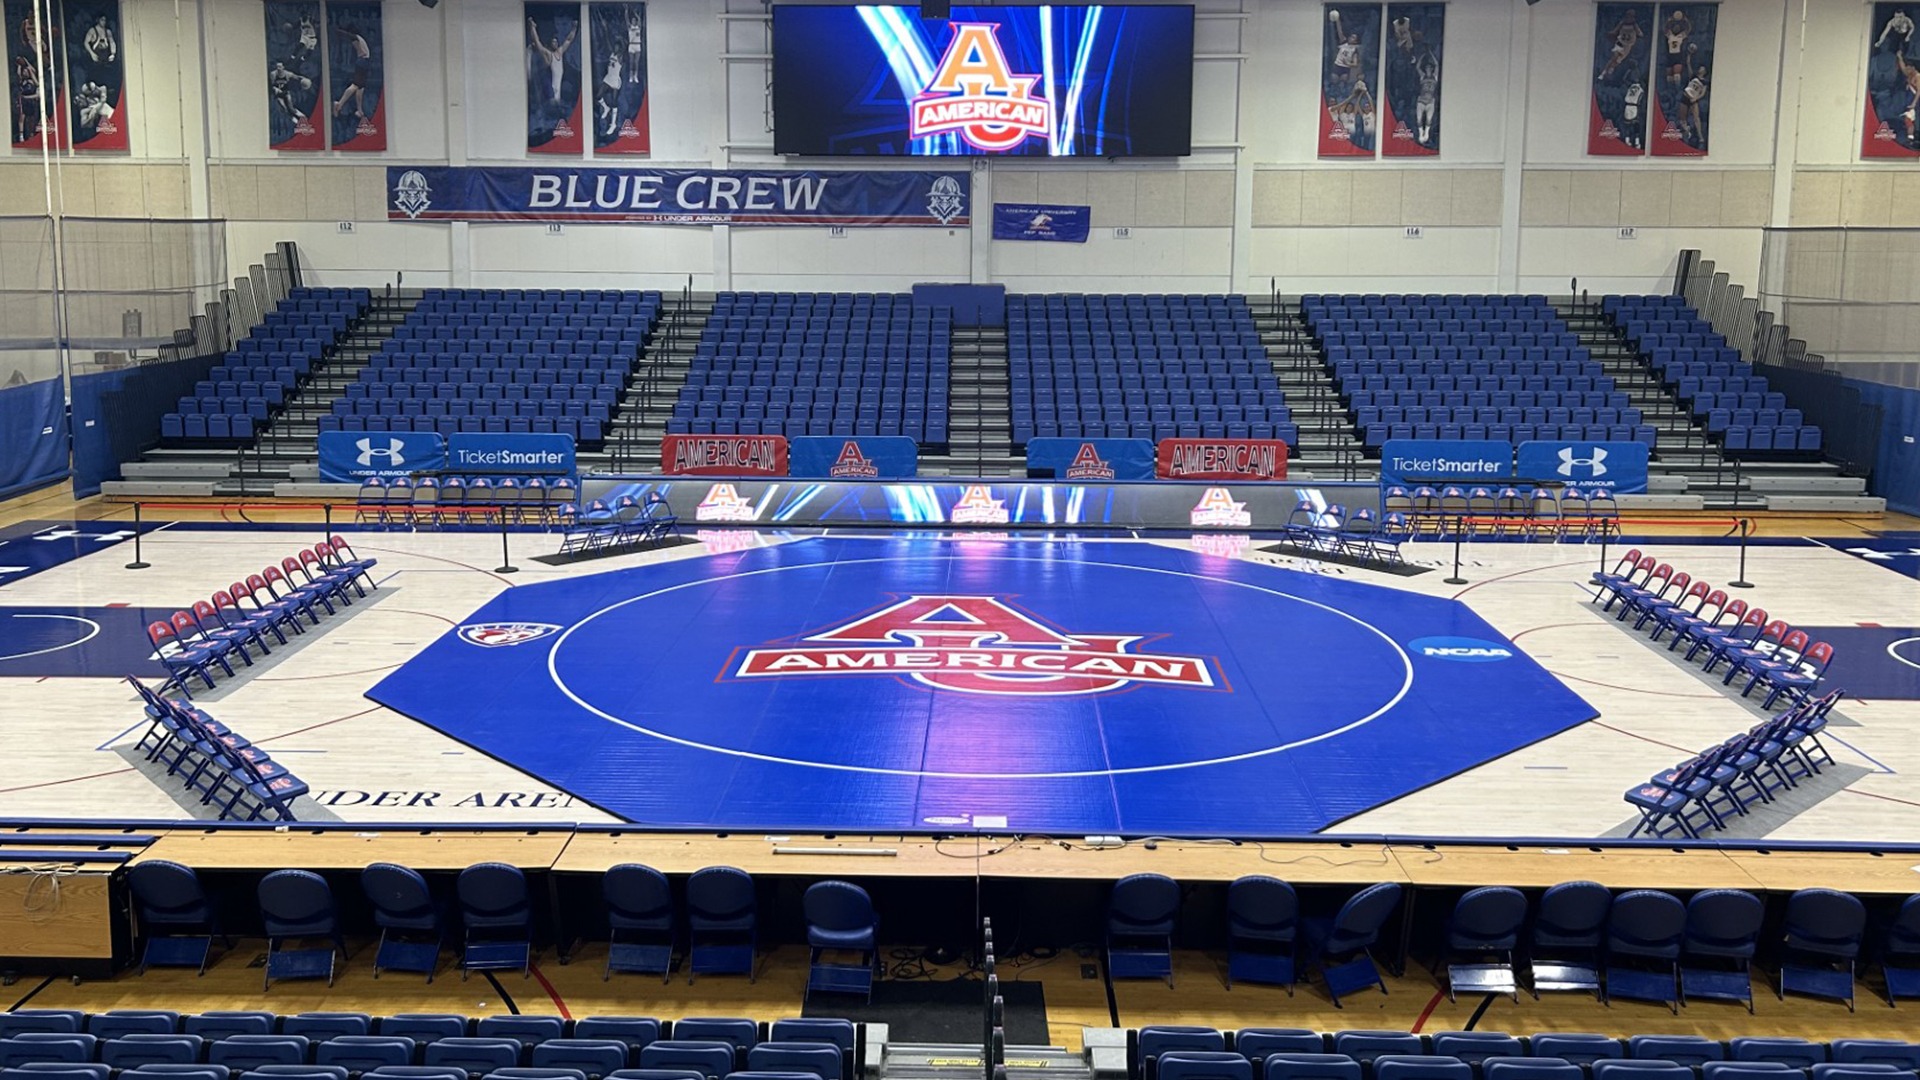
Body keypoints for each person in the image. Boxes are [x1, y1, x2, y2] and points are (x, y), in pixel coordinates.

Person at [528, 17, 575, 104]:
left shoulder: (560, 52)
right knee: (552, 105)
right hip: (550, 88)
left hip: (558, 88)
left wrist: (574, 28)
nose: (555, 43)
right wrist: (532, 27)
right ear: (550, 43)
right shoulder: (549, 55)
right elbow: (537, 41)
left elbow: (568, 40)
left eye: (556, 42)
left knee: (558, 106)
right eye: (553, 42)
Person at [332, 24, 371, 124]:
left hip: (363, 61)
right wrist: (340, 31)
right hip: (363, 61)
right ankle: (339, 104)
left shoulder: (357, 37)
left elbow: (351, 36)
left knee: (360, 88)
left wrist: (340, 32)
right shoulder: (357, 37)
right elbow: (351, 36)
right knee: (355, 85)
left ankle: (359, 109)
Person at [1599, 8, 1641, 81]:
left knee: (1618, 60)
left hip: (1628, 45)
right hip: (1620, 42)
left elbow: (1639, 33)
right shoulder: (1622, 23)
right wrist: (1610, 33)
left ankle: (1612, 68)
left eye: (1631, 16)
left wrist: (1639, 35)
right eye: (1628, 16)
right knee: (1614, 56)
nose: (1629, 18)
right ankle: (1604, 71)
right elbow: (1615, 30)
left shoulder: (1634, 25)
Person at [270, 58, 312, 127]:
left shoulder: (287, 74)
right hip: (278, 95)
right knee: (285, 109)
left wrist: (303, 79)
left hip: (286, 93)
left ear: (283, 67)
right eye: (277, 67)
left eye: (280, 67)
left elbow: (297, 77)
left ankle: (303, 118)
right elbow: (271, 85)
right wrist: (275, 89)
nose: (279, 68)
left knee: (291, 108)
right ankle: (296, 121)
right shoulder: (273, 74)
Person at [1679, 55, 1708, 142]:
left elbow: (1702, 93)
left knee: (1696, 118)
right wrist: (1689, 55)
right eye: (1700, 68)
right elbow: (1688, 64)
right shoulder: (1693, 76)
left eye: (1702, 68)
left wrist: (1696, 98)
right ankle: (1686, 132)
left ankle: (1700, 136)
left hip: (1693, 99)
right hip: (1685, 95)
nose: (1700, 69)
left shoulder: (1704, 82)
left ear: (1705, 71)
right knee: (1682, 118)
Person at [12, 54, 39, 144]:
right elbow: (19, 73)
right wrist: (19, 63)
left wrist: (26, 61)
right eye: (24, 72)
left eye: (26, 72)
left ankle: (31, 134)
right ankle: (21, 136)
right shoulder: (22, 80)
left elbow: (32, 71)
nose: (25, 72)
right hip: (23, 100)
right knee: (22, 117)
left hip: (31, 100)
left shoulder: (33, 80)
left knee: (31, 119)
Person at [1414, 51, 1439, 145]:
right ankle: (1421, 133)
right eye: (1427, 68)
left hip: (1430, 101)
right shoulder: (1423, 76)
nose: (1428, 69)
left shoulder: (1434, 77)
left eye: (1429, 68)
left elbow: (1437, 64)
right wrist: (1422, 55)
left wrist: (1431, 54)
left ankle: (1426, 133)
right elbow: (1417, 67)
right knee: (1419, 119)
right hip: (1421, 100)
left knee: (1429, 119)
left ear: (1431, 69)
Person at [595, 48, 622, 137]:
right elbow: (609, 43)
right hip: (608, 77)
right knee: (598, 95)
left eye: (617, 46)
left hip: (615, 79)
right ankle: (606, 108)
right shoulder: (612, 53)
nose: (616, 47)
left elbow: (624, 49)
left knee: (614, 102)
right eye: (615, 46)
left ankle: (613, 124)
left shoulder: (620, 56)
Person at [1622, 69, 1645, 149]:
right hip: (1628, 105)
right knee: (1628, 125)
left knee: (1635, 124)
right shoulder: (1631, 85)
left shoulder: (1641, 87)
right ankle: (1627, 140)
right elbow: (1624, 79)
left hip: (1634, 106)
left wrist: (1636, 71)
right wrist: (1628, 71)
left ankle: (1636, 141)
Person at [625, 9, 645, 82]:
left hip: (637, 45)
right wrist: (626, 11)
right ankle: (631, 76)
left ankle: (635, 76)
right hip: (631, 45)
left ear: (636, 21)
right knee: (631, 61)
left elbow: (639, 19)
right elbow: (626, 19)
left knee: (636, 62)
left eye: (634, 20)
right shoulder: (630, 27)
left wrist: (636, 14)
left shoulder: (638, 27)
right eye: (632, 20)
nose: (633, 21)